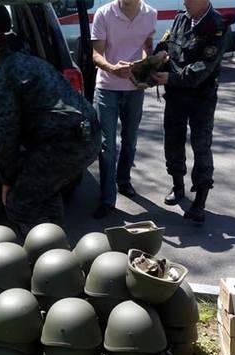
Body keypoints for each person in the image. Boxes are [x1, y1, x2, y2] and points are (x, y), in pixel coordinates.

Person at [0, 28, 101, 236]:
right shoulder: (30, 61)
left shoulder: (1, 79)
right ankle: (57, 242)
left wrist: (7, 180)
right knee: (46, 190)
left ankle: (41, 255)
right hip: (88, 136)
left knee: (19, 201)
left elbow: (5, 136)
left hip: (63, 145)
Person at [152, 0, 231, 223]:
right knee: (173, 141)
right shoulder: (180, 18)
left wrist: (172, 77)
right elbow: (166, 45)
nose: (185, 1)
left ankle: (200, 200)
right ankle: (178, 186)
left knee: (201, 145)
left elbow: (204, 68)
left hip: (201, 99)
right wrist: (157, 58)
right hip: (176, 96)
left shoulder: (219, 26)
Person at [90, 0, 157, 219]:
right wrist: (112, 68)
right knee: (107, 145)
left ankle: (124, 181)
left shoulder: (150, 14)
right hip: (107, 87)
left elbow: (147, 46)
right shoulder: (104, 13)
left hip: (135, 89)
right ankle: (107, 199)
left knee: (130, 139)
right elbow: (96, 54)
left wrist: (145, 67)